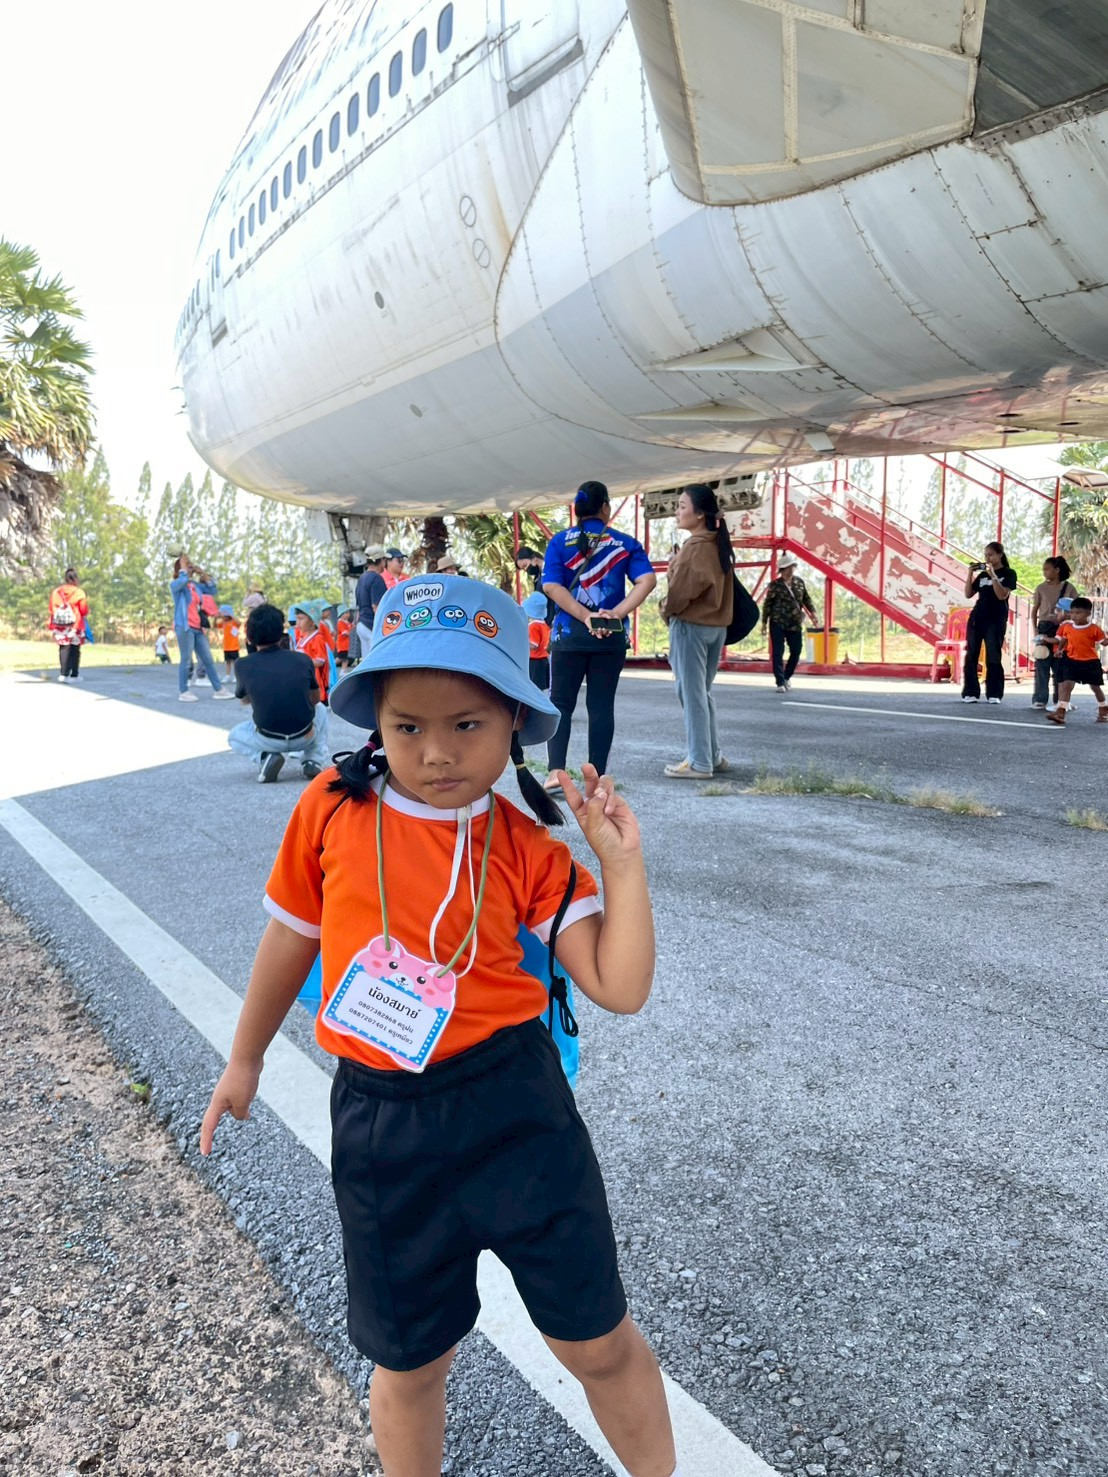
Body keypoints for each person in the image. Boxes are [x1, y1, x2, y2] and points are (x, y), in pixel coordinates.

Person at [200, 577, 679, 1477]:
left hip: (516, 1110)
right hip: (384, 1126)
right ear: (375, 719)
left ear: (514, 723)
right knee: (410, 1359)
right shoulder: (331, 813)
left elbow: (620, 985)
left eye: (467, 724)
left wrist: (621, 865)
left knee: (597, 1341)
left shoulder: (531, 846)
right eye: (407, 726)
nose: (435, 752)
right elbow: (288, 937)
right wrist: (245, 1054)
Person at [542, 481, 657, 795]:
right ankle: (597, 779)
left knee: (561, 703)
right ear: (605, 508)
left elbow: (552, 587)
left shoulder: (558, 543)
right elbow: (647, 580)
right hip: (610, 637)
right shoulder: (623, 543)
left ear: (576, 510)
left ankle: (555, 773)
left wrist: (583, 616)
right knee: (601, 705)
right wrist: (616, 613)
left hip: (568, 635)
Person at [660, 485, 734, 778]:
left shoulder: (695, 546)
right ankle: (711, 755)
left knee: (691, 695)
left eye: (681, 506)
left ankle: (700, 762)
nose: (677, 511)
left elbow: (680, 594)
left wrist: (665, 608)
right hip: (716, 627)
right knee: (702, 694)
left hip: (691, 626)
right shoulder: (718, 543)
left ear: (700, 513)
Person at [227, 603, 332, 781]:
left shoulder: (242, 665)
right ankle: (313, 759)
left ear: (250, 637)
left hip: (267, 738)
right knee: (321, 709)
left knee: (234, 736)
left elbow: (245, 700)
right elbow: (314, 699)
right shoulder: (303, 659)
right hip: (304, 735)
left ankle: (266, 757)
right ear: (281, 631)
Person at [170, 555, 234, 702]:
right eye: (188, 565)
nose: (191, 566)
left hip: (197, 627)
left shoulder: (195, 586)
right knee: (186, 659)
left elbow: (212, 589)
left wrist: (202, 573)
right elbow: (182, 581)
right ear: (180, 570)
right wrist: (184, 567)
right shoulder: (176, 585)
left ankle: (219, 690)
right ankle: (184, 691)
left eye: (191, 565)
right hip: (184, 626)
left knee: (207, 659)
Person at [960, 541, 1017, 704]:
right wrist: (970, 574)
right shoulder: (982, 576)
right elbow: (968, 594)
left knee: (993, 654)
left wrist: (993, 575)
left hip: (996, 618)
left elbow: (1002, 595)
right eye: (985, 555)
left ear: (1000, 555)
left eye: (990, 554)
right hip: (978, 617)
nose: (987, 558)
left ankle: (994, 693)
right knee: (972, 653)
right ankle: (970, 691)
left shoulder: (1009, 573)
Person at [1045, 598, 1108, 726]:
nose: (1074, 615)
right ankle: (1061, 712)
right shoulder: (1067, 626)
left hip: (1090, 662)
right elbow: (1064, 638)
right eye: (1072, 612)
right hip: (1072, 660)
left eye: (1078, 613)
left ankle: (1103, 708)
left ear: (1088, 614)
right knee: (1067, 685)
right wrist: (1060, 650)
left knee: (1095, 688)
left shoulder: (1094, 629)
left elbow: (1104, 642)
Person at [760, 553, 817, 692]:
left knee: (796, 650)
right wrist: (764, 623)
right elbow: (767, 605)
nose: (790, 570)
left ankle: (787, 676)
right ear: (782, 570)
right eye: (787, 568)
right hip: (778, 622)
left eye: (792, 567)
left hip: (795, 623)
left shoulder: (799, 582)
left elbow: (806, 599)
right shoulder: (775, 585)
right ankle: (780, 682)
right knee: (778, 652)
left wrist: (813, 614)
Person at [1030, 556, 1077, 710]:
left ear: (1057, 570)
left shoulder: (1069, 588)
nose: (1044, 572)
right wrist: (1036, 629)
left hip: (1063, 628)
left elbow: (1078, 610)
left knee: (1060, 665)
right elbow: (1034, 610)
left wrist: (1067, 617)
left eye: (1047, 569)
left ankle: (1061, 699)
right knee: (1042, 661)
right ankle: (1040, 698)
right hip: (1044, 626)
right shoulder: (1040, 588)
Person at [48, 567, 89, 681]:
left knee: (63, 648)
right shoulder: (79, 592)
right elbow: (84, 609)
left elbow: (51, 608)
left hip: (60, 625)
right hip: (75, 625)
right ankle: (74, 674)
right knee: (75, 649)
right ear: (75, 578)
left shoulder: (56, 592)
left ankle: (63, 674)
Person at [292, 602, 332, 704]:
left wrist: (300, 660)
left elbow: (320, 661)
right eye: (297, 619)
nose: (298, 623)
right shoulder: (302, 637)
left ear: (313, 621)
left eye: (301, 619)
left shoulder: (317, 638)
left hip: (315, 683)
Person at [354, 546, 388, 659]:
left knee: (366, 661)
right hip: (371, 626)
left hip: (361, 624)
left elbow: (358, 606)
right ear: (381, 560)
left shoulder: (362, 578)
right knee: (377, 661)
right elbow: (376, 607)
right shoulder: (376, 579)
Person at [524, 590, 551, 690]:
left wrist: (522, 642)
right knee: (540, 688)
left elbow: (534, 645)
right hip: (543, 660)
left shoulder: (533, 626)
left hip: (534, 661)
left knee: (532, 688)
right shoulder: (545, 626)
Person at [218, 605, 241, 678]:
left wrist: (231, 614)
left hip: (234, 647)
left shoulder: (234, 622)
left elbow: (239, 623)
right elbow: (214, 625)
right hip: (226, 647)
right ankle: (227, 675)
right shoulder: (223, 623)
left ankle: (236, 676)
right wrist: (216, 617)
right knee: (228, 662)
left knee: (235, 662)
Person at [243, 584, 265, 654]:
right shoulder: (263, 597)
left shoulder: (254, 596)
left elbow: (244, 603)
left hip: (253, 614)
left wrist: (247, 593)